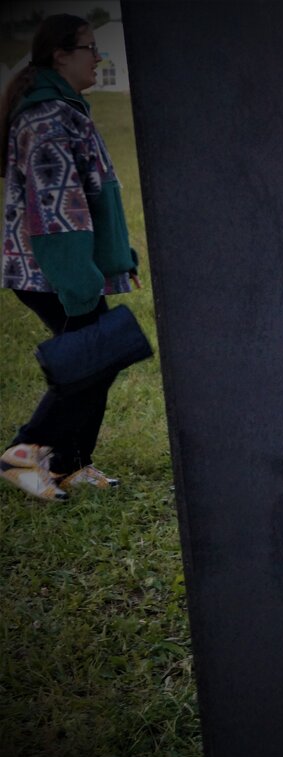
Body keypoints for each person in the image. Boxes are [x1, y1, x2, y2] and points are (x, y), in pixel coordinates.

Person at [0, 14, 138, 501]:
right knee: (88, 360)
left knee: (97, 360)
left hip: (66, 267)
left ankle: (69, 463)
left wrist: (117, 254)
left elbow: (93, 191)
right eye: (89, 48)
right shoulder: (47, 117)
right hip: (51, 271)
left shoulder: (64, 107)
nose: (97, 58)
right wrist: (80, 283)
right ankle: (24, 450)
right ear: (60, 54)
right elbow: (56, 212)